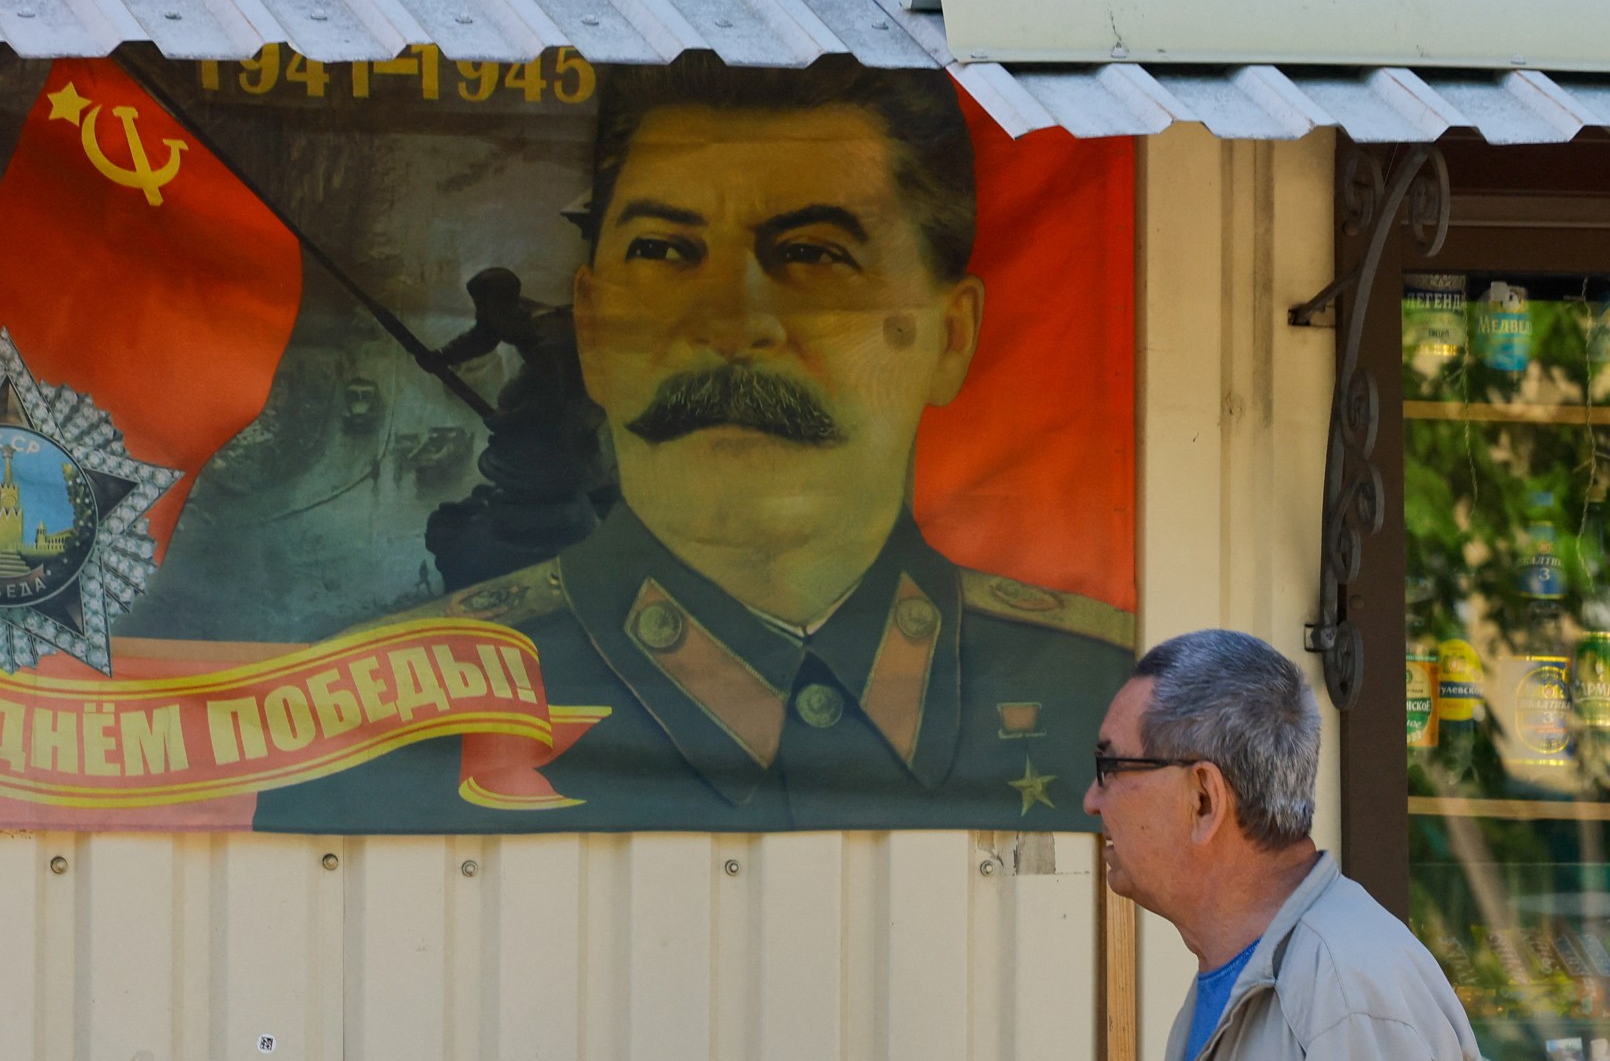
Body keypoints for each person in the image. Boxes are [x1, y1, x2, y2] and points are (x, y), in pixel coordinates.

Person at [257, 55, 1131, 833]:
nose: (731, 324)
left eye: (814, 254)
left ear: (951, 335)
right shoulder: (371, 733)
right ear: (593, 327)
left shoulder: (1105, 699)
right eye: (665, 251)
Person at [1085, 630, 1534, 1061]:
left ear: (1203, 798)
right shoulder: (1246, 982)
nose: (1092, 799)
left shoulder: (1351, 1001)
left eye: (1110, 766)